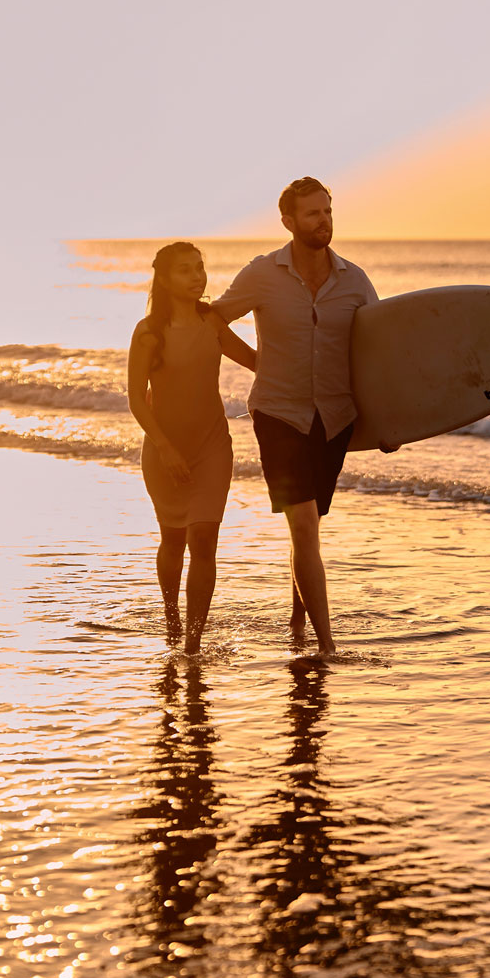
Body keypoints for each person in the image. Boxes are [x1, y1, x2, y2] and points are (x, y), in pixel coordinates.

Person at [211, 178, 376, 656]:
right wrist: (258, 364)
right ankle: (327, 647)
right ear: (288, 221)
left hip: (334, 418)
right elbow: (213, 321)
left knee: (309, 527)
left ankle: (298, 621)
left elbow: (380, 353)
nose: (323, 221)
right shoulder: (262, 274)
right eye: (312, 213)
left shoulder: (355, 281)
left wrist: (389, 423)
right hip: (278, 413)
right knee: (303, 524)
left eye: (328, 211)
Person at [128, 241, 257, 653]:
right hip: (164, 450)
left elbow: (257, 361)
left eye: (199, 267)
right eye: (185, 269)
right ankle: (172, 618)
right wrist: (165, 448)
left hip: (212, 447)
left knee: (203, 539)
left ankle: (193, 642)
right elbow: (135, 399)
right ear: (164, 279)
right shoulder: (148, 333)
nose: (197, 276)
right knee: (173, 540)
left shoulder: (211, 321)